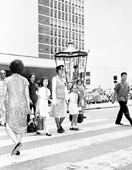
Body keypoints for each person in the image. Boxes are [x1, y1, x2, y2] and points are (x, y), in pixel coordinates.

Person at [0, 59, 30, 155]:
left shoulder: (7, 80)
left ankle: (17, 143)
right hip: (22, 105)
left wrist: (0, 105)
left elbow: (4, 95)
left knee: (8, 126)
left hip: (12, 104)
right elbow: (27, 96)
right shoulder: (25, 80)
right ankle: (17, 149)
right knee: (20, 127)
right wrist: (28, 107)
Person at [51, 65, 68, 133]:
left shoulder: (64, 79)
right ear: (57, 71)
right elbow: (53, 89)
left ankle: (59, 125)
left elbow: (65, 89)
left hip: (63, 98)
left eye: (63, 70)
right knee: (57, 114)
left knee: (64, 114)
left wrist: (66, 98)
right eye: (60, 70)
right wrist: (54, 100)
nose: (61, 71)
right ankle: (59, 128)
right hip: (57, 98)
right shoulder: (55, 78)